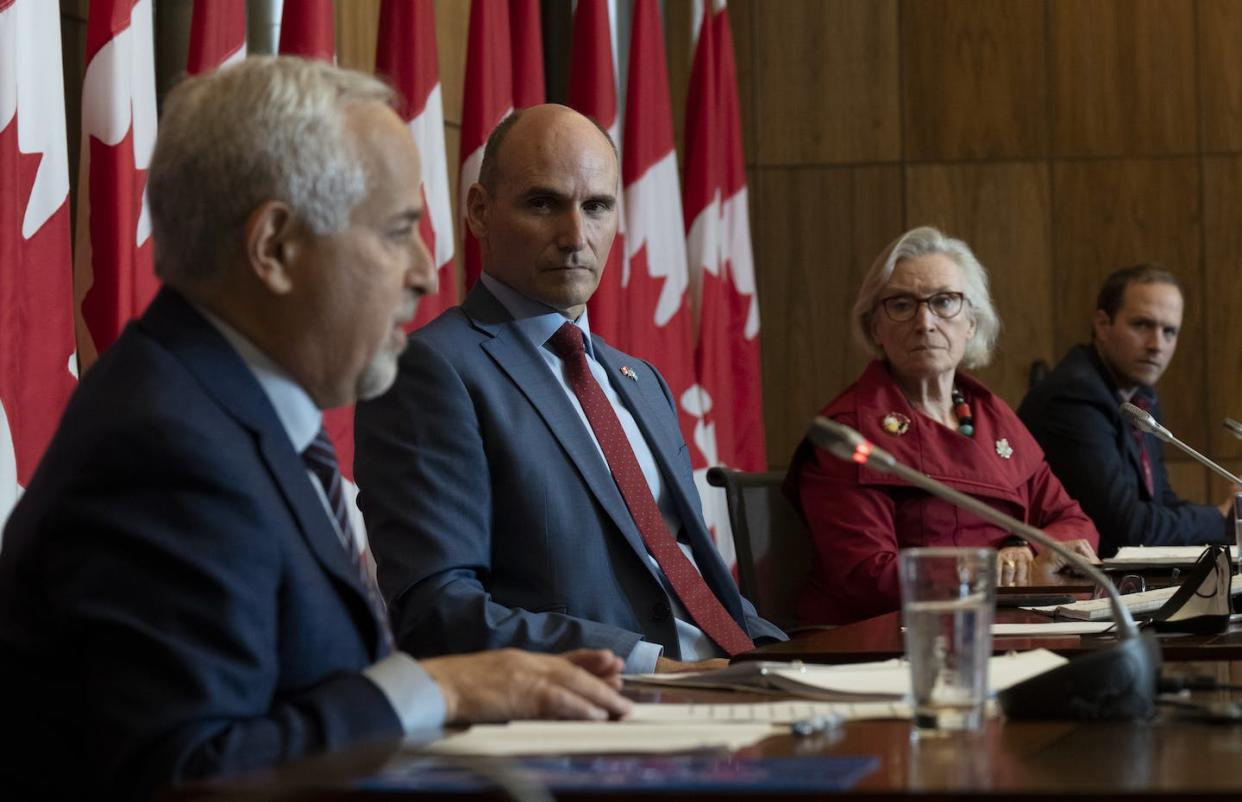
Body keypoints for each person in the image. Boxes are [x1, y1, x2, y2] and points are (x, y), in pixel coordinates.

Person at [0, 58, 630, 802]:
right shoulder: (164, 446)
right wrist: (441, 691)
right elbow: (191, 774)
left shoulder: (227, 413)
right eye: (398, 232)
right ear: (272, 247)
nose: (427, 275)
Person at [354, 104, 785, 674]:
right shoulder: (429, 370)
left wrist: (781, 657)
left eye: (596, 207)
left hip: (731, 680)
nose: (575, 236)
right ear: (479, 211)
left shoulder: (642, 380)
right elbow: (438, 612)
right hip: (604, 708)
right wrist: (651, 669)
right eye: (543, 203)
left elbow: (688, 578)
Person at [785, 226, 1100, 626]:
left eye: (945, 302)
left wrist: (1027, 550)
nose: (925, 322)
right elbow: (867, 578)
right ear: (874, 327)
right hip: (889, 637)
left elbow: (1076, 524)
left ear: (972, 321)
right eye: (901, 304)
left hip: (1004, 621)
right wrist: (999, 574)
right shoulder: (851, 433)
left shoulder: (991, 415)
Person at [1018, 264, 1235, 556]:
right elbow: (1129, 528)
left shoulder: (1141, 398)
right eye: (1142, 325)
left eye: (1169, 331)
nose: (1157, 345)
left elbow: (1160, 503)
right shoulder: (1074, 396)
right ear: (1102, 325)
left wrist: (1230, 519)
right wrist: (1220, 517)